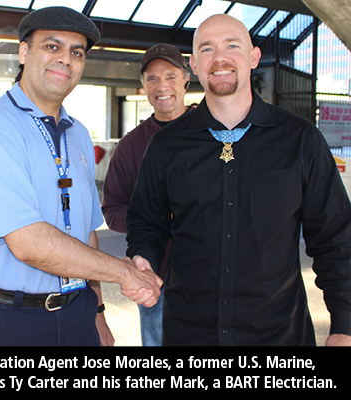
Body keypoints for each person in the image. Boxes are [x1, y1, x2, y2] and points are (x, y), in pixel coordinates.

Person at [125, 14, 351, 346]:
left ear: (253, 56)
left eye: (232, 45)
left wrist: (343, 327)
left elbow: (336, 239)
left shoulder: (300, 140)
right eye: (207, 49)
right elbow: (146, 220)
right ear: (195, 65)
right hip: (190, 336)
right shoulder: (166, 146)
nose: (220, 58)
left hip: (279, 337)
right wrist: (143, 254)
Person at [0, 6, 162, 347]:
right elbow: (28, 241)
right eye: (52, 47)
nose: (65, 59)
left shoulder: (78, 133)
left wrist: (97, 314)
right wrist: (124, 272)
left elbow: (87, 234)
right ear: (24, 51)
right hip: (12, 319)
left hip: (78, 313)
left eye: (76, 52)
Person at [102, 43, 193, 346]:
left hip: (213, 272)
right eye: (152, 79)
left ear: (186, 80)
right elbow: (113, 208)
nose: (162, 86)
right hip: (156, 275)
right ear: (142, 87)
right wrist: (152, 220)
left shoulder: (212, 132)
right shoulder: (131, 146)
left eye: (170, 76)